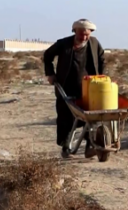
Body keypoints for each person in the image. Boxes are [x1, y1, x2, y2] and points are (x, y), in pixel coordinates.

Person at [43, 19, 105, 159]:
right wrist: (50, 74)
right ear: (74, 31)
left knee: (91, 116)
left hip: (89, 87)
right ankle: (66, 147)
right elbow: (47, 56)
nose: (83, 37)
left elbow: (101, 59)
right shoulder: (64, 43)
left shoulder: (94, 44)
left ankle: (90, 146)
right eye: (81, 34)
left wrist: (102, 77)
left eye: (86, 35)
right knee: (66, 117)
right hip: (66, 86)